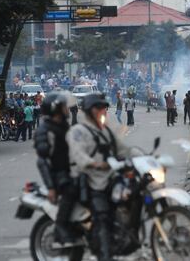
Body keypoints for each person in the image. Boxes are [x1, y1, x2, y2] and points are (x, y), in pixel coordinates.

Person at [66, 93, 131, 261]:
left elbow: (123, 149)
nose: (103, 111)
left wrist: (144, 159)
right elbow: (78, 154)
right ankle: (105, 255)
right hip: (89, 181)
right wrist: (94, 164)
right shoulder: (78, 131)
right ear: (89, 111)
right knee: (102, 217)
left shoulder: (105, 131)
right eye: (99, 108)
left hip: (108, 179)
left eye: (104, 108)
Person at [34, 92, 78, 244]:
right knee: (71, 190)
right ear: (56, 109)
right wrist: (51, 187)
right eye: (64, 107)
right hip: (58, 175)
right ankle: (60, 226)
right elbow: (42, 161)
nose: (68, 109)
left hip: (70, 170)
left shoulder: (63, 127)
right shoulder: (45, 130)